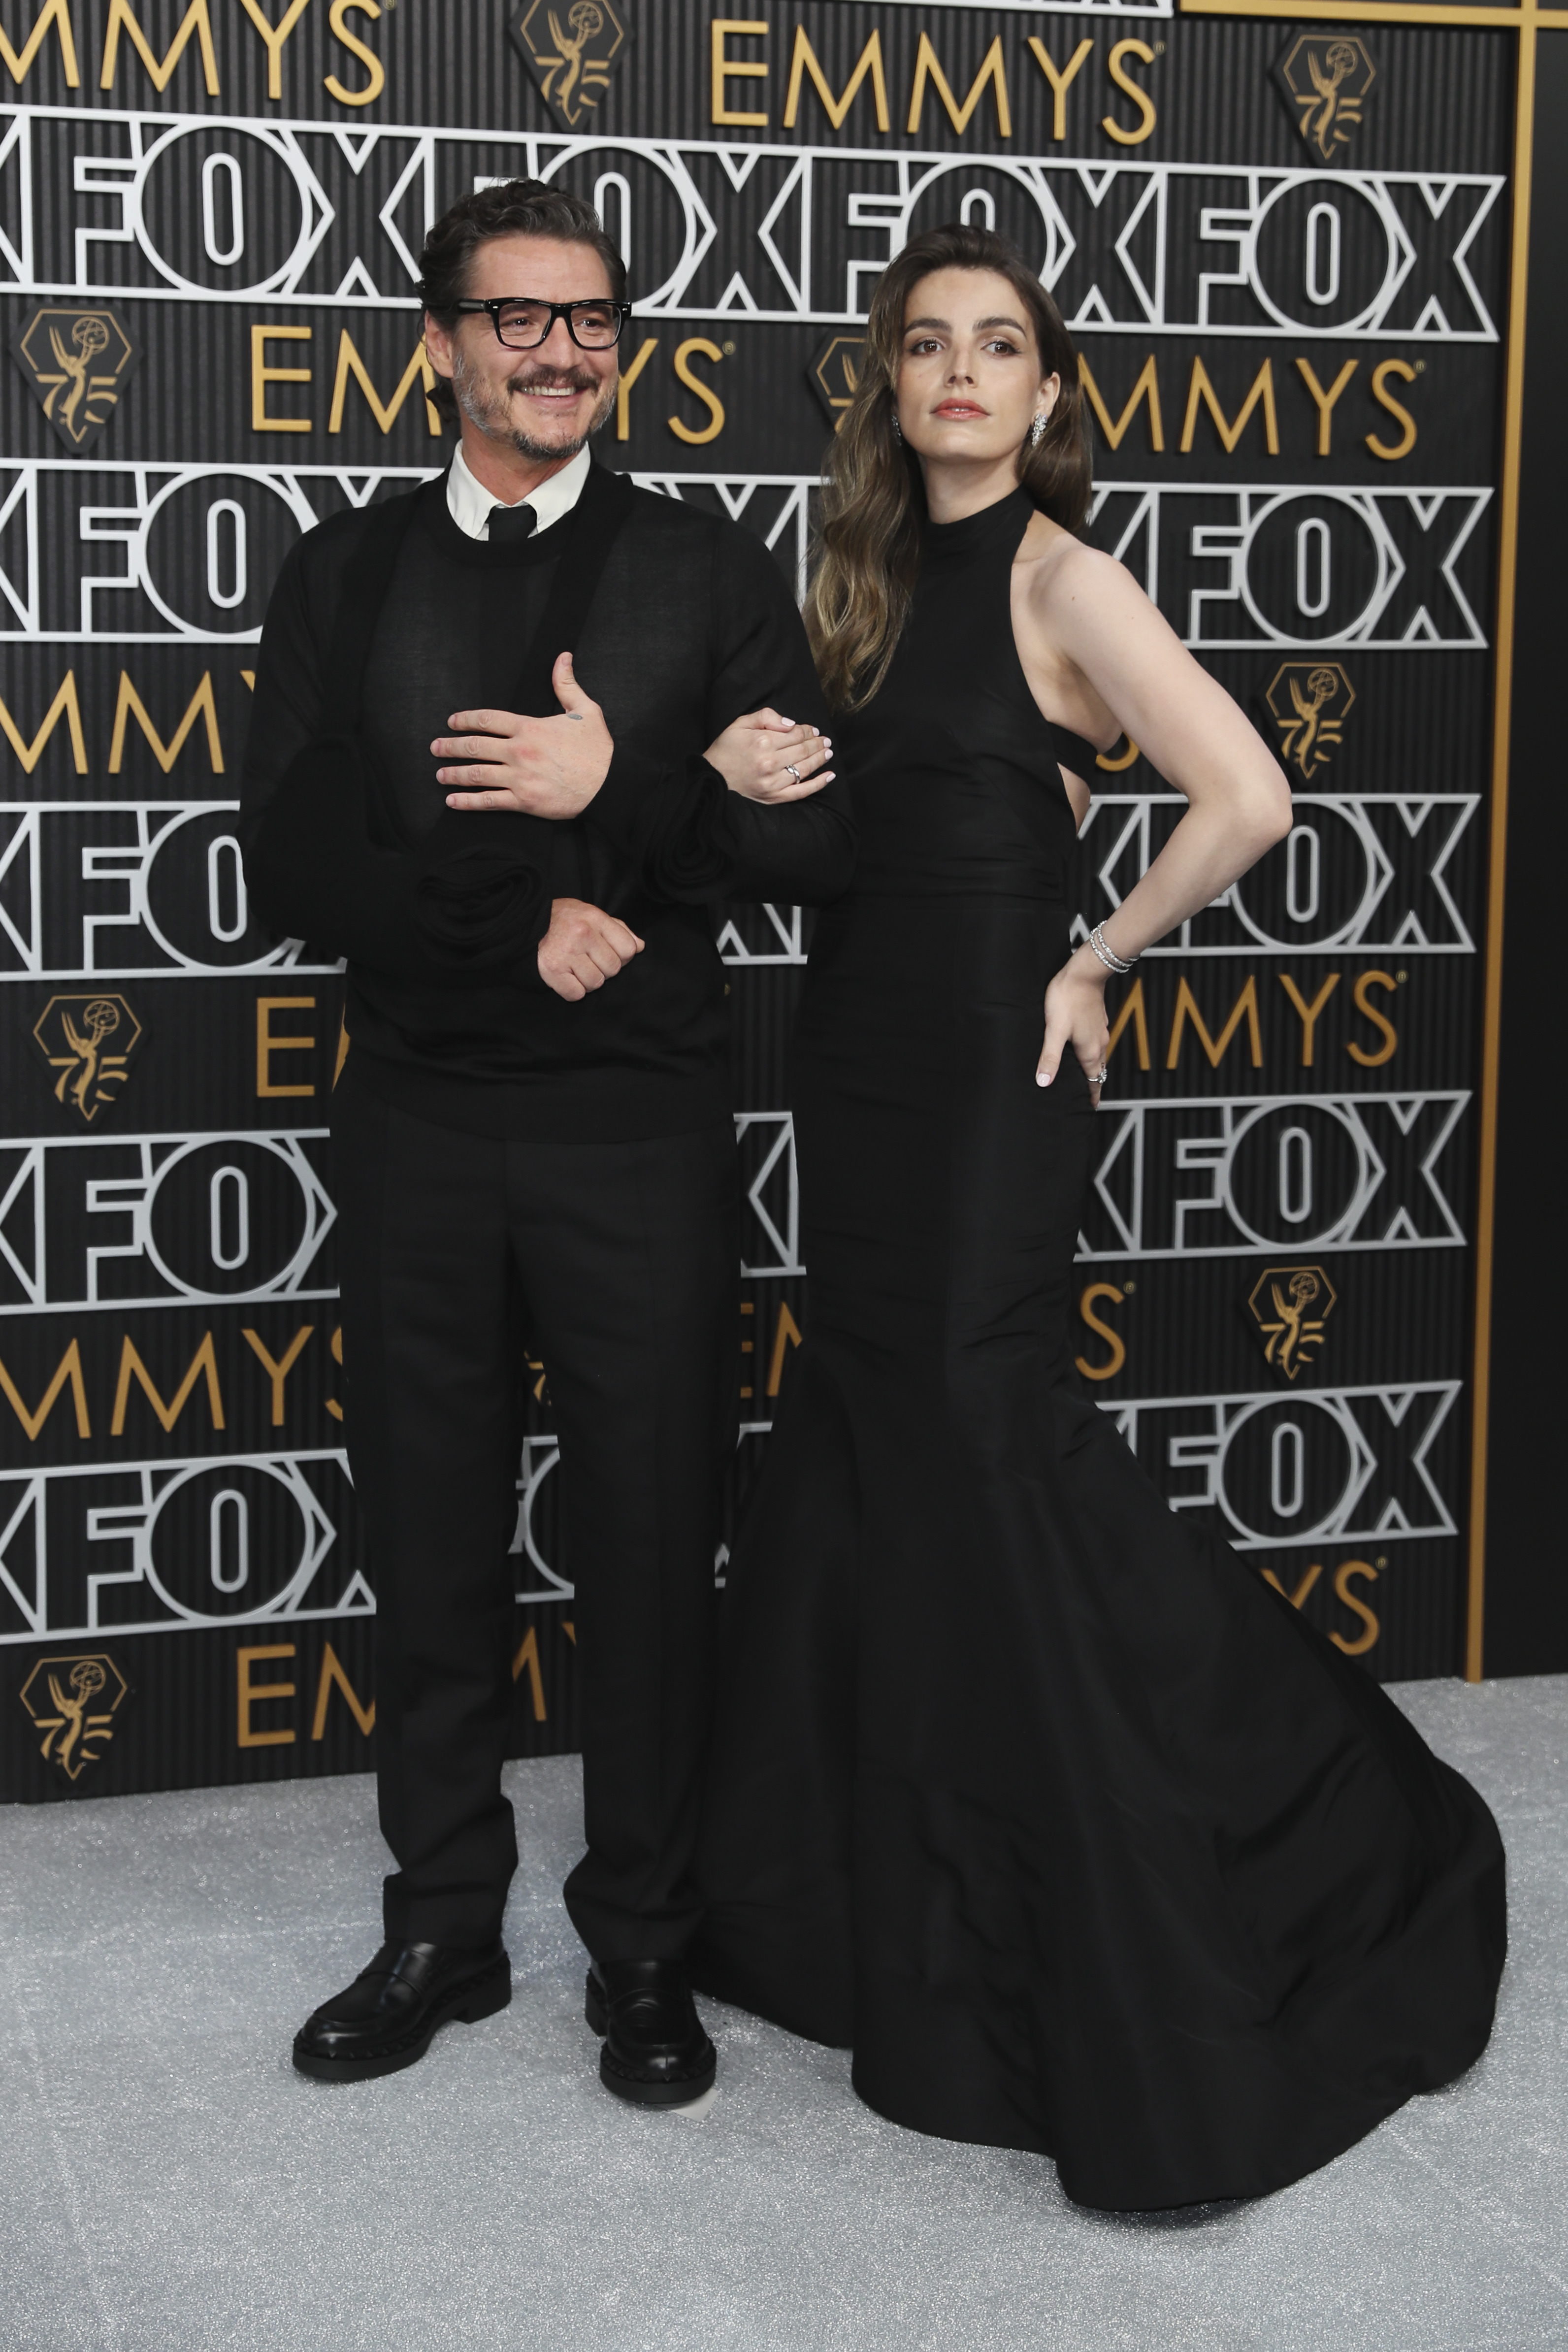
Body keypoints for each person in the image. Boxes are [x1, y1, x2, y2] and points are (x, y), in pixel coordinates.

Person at [690, 223, 1506, 2210]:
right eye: (925, 346)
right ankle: (860, 1905)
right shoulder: (857, 589)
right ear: (887, 388)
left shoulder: (1068, 577)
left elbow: (1246, 797)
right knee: (876, 1458)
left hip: (989, 1071)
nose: (961, 374)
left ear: (1048, 394)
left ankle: (1284, 1810)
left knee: (987, 1454)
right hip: (854, 1069)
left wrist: (1101, 960)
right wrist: (736, 766)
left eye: (1000, 347)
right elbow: (817, 832)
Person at [239, 179, 850, 2104]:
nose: (559, 350)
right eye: (517, 317)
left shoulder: (708, 570)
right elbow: (298, 857)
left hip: (637, 1133)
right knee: (428, 1533)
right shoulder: (342, 571)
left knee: (656, 1544)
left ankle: (646, 1949)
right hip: (420, 1120)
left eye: (591, 320)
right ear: (439, 343)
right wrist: (525, 918)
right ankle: (442, 1925)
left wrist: (630, 787)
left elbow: (819, 839)